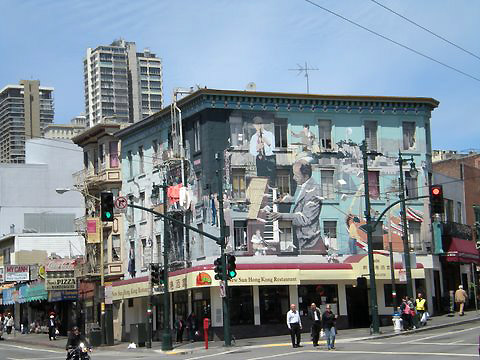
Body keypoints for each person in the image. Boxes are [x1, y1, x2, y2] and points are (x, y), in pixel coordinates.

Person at [270, 158, 326, 254]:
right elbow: (299, 200)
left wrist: (282, 216)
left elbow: (305, 218)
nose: (294, 178)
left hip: (311, 244)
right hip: (302, 239)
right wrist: (285, 199)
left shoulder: (315, 191)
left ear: (306, 175)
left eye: (297, 175)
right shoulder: (303, 184)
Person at [249, 116, 276, 184]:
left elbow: (273, 148)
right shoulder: (254, 137)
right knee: (261, 179)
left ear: (262, 124)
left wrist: (264, 139)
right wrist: (257, 148)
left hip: (269, 158)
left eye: (260, 124)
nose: (258, 126)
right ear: (254, 126)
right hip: (260, 159)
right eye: (256, 124)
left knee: (271, 180)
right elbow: (252, 151)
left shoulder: (269, 134)